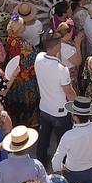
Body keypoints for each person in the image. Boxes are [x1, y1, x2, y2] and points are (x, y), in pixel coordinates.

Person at [32, 32, 75, 162]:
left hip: (44, 107)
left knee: (43, 137)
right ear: (57, 46)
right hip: (60, 111)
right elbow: (69, 92)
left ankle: (41, 160)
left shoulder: (38, 57)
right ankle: (64, 162)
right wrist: (78, 107)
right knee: (63, 139)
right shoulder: (62, 69)